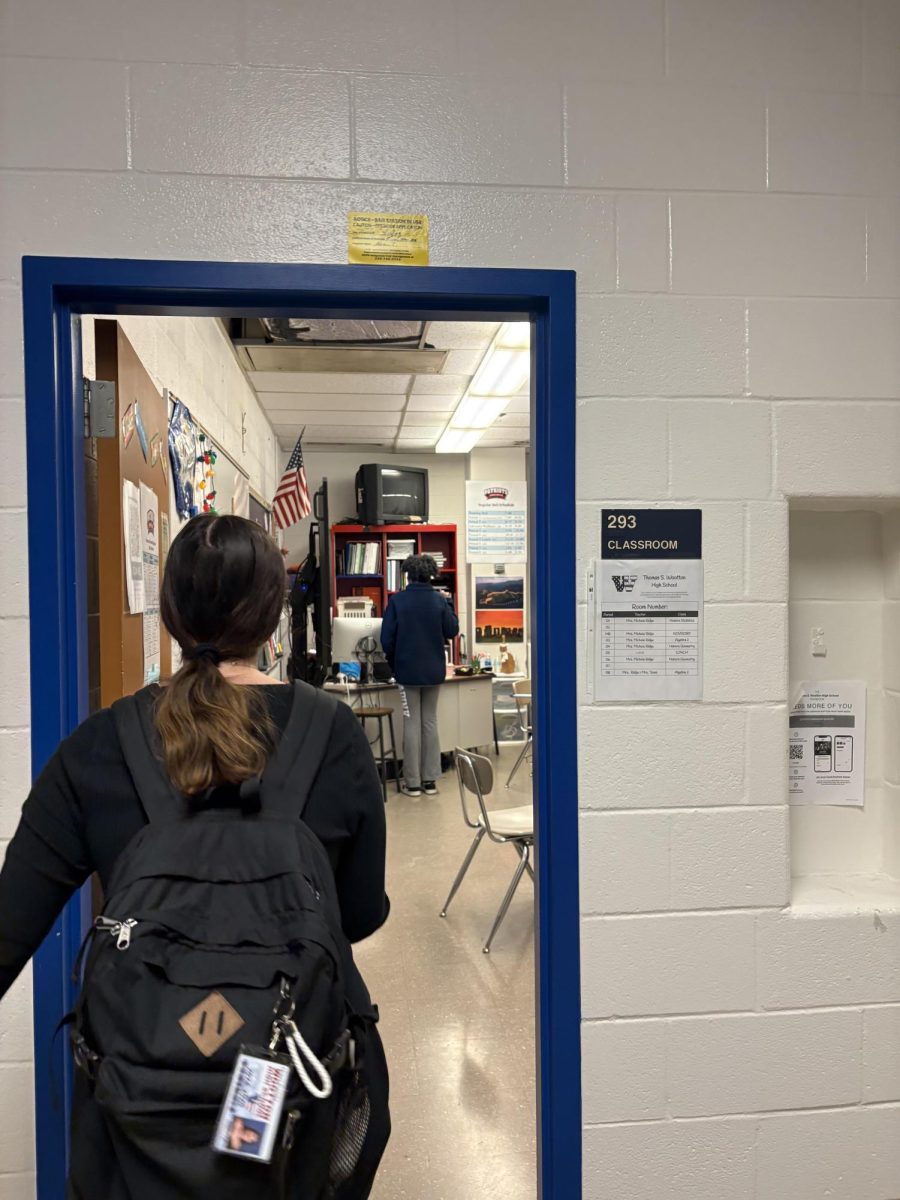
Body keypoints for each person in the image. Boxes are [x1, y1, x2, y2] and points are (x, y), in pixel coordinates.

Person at [0, 513, 389, 1198]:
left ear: (171, 614)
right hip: (293, 1112)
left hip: (139, 1133)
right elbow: (355, 917)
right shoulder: (334, 737)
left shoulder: (98, 747)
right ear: (273, 616)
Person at [380, 554, 460, 797]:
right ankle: (430, 781)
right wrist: (448, 604)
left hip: (406, 672)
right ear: (431, 574)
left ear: (408, 575)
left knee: (411, 722)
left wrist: (393, 661)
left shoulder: (397, 601)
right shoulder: (439, 601)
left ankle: (412, 783)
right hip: (434, 672)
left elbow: (386, 640)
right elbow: (452, 629)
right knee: (430, 722)